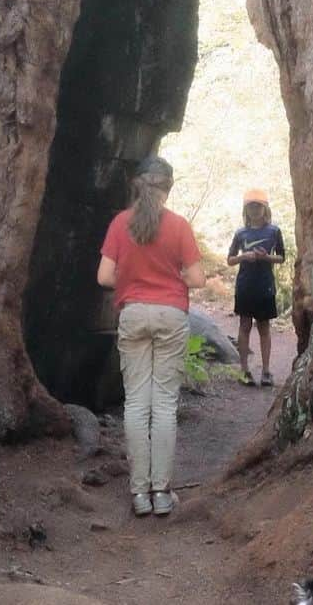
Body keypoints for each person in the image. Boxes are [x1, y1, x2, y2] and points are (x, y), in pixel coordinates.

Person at [97, 155, 205, 518]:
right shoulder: (178, 226)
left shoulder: (119, 224)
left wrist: (133, 279)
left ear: (137, 184)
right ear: (168, 188)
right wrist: (170, 277)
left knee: (136, 405)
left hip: (133, 314)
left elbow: (104, 277)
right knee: (163, 405)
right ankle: (161, 492)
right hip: (171, 314)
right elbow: (197, 278)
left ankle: (138, 494)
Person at [227, 188, 285, 387]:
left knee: (264, 327)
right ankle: (244, 370)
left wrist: (265, 257)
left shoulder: (274, 231)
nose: (254, 209)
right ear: (245, 209)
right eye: (250, 206)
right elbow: (230, 259)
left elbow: (282, 257)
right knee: (244, 326)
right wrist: (244, 256)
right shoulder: (240, 233)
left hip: (265, 285)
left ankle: (266, 371)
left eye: (257, 205)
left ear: (265, 208)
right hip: (245, 285)